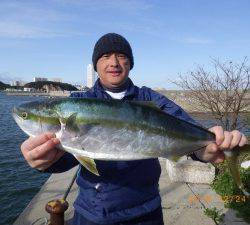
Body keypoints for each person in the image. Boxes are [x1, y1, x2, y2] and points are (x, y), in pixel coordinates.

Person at [21, 33, 248, 225]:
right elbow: (67, 158)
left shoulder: (150, 99)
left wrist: (204, 151)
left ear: (130, 63)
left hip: (146, 211)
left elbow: (188, 134)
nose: (114, 62)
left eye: (121, 56)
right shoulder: (80, 101)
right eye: (105, 56)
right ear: (96, 64)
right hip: (93, 213)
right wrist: (44, 162)